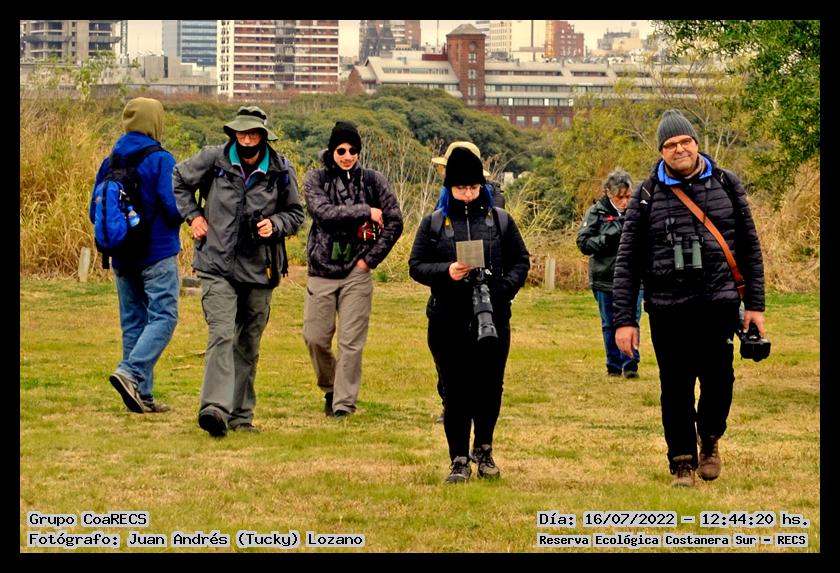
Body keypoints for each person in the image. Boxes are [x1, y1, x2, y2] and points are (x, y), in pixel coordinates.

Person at [613, 109, 766, 487]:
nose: (679, 149)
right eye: (670, 145)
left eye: (685, 142)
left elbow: (750, 247)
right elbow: (627, 261)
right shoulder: (646, 195)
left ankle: (709, 438)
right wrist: (624, 320)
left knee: (719, 381)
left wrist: (756, 306)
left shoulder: (726, 183)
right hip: (668, 308)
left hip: (719, 303)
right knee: (675, 386)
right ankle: (682, 461)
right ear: (661, 151)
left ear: (696, 143)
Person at [173, 106, 304, 437]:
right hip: (216, 264)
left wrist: (275, 224)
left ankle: (241, 416)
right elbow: (179, 178)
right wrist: (194, 216)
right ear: (234, 134)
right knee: (221, 333)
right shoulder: (213, 159)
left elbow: (296, 214)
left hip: (261, 268)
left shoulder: (281, 169)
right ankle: (214, 409)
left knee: (248, 343)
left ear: (263, 136)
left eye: (253, 134)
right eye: (242, 134)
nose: (247, 140)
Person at [409, 147, 530, 483]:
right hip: (447, 317)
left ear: (482, 186)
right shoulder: (434, 223)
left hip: (491, 316)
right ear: (449, 187)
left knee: (490, 387)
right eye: (461, 187)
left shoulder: (500, 220)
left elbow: (521, 261)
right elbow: (416, 266)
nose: (467, 194)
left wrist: (501, 289)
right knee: (455, 389)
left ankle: (484, 449)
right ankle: (459, 458)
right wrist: (447, 271)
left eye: (473, 187)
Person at [303, 121, 404, 418]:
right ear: (332, 151)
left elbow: (395, 220)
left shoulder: (374, 181)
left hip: (357, 273)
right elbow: (323, 213)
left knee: (351, 342)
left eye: (353, 150)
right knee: (315, 338)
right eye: (341, 150)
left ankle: (344, 404)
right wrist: (365, 211)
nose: (347, 156)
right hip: (321, 270)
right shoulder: (315, 179)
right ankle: (330, 387)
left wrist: (369, 260)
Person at [90, 97, 180, 414]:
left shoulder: (110, 161)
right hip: (157, 253)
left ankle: (142, 396)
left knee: (133, 323)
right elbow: (173, 207)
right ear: (155, 121)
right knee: (164, 316)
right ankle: (131, 372)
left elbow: (94, 211)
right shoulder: (161, 159)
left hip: (121, 256)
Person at [430, 141, 503, 423]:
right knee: (446, 352)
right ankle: (451, 401)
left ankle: (470, 407)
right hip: (449, 286)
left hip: (483, 287)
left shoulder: (492, 201)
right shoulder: (443, 200)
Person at [576, 169, 643, 379]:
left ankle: (630, 363)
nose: (624, 202)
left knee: (632, 319)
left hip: (633, 278)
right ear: (608, 193)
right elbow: (583, 243)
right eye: (619, 197)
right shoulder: (596, 213)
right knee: (609, 323)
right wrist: (606, 238)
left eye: (628, 196)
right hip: (604, 277)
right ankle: (613, 364)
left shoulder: (638, 211)